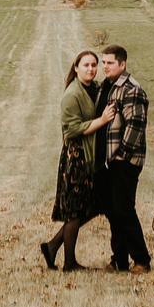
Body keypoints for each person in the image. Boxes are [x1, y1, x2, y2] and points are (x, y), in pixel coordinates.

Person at [41, 48, 115, 271]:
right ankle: (69, 262)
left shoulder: (94, 88)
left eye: (94, 65)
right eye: (86, 65)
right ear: (76, 68)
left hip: (90, 157)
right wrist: (102, 121)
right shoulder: (72, 94)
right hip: (76, 158)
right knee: (75, 210)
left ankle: (52, 246)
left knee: (92, 206)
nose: (91, 69)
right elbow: (72, 130)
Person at [97, 44, 152, 273]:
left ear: (122, 64)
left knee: (124, 209)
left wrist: (122, 155)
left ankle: (142, 260)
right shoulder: (107, 87)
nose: (105, 67)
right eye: (103, 62)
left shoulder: (131, 89)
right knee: (113, 210)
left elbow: (136, 124)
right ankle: (119, 260)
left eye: (110, 63)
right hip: (109, 160)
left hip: (125, 161)